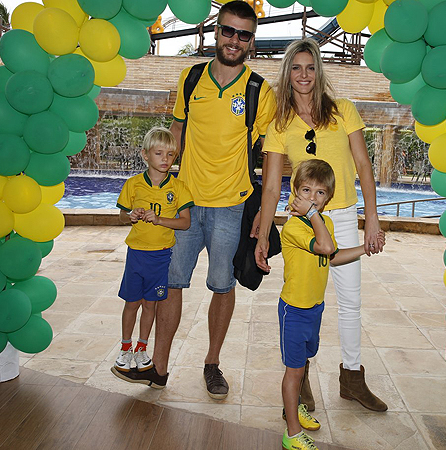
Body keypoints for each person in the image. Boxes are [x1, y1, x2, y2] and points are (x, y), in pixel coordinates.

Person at [255, 38, 387, 412]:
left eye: (310, 67)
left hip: (343, 214)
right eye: (296, 68)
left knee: (350, 302)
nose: (304, 75)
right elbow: (270, 186)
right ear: (287, 73)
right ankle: (300, 378)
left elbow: (363, 167)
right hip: (303, 224)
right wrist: (265, 235)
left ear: (319, 71)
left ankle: (352, 377)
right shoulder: (279, 124)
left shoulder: (344, 110)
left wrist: (371, 220)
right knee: (303, 300)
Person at [165, 1, 276, 399]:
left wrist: (267, 207)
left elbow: (272, 151)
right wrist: (162, 183)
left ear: (251, 41)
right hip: (186, 203)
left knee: (222, 285)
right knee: (171, 283)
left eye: (244, 35)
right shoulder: (190, 78)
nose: (235, 40)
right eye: (229, 31)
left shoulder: (258, 90)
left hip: (232, 204)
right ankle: (159, 367)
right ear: (216, 31)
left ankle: (212, 363)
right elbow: (178, 127)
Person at [278, 159, 385, 450]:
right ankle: (292, 433)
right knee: (294, 371)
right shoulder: (294, 228)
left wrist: (364, 248)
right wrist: (313, 214)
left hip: (314, 308)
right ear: (295, 191)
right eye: (306, 190)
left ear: (330, 197)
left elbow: (333, 256)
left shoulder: (324, 222)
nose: (313, 198)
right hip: (294, 310)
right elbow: (324, 247)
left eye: (320, 193)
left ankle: (294, 407)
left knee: (304, 361)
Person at [111, 127, 193, 388]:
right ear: (145, 154)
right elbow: (121, 216)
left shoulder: (178, 188)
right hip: (136, 256)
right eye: (159, 153)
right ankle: (125, 348)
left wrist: (159, 219)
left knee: (151, 305)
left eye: (170, 154)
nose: (165, 159)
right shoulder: (133, 185)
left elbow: (185, 223)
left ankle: (142, 348)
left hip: (161, 258)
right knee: (132, 303)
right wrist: (130, 216)